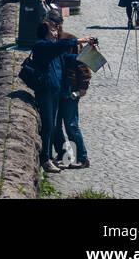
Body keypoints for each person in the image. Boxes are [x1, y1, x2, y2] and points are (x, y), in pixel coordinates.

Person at [30, 20, 93, 173]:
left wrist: (89, 51)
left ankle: (54, 157)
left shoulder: (54, 49)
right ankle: (46, 159)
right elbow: (58, 46)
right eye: (52, 29)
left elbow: (69, 59)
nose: (56, 32)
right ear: (45, 31)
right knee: (49, 127)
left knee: (54, 127)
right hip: (46, 92)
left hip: (56, 92)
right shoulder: (41, 46)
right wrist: (80, 40)